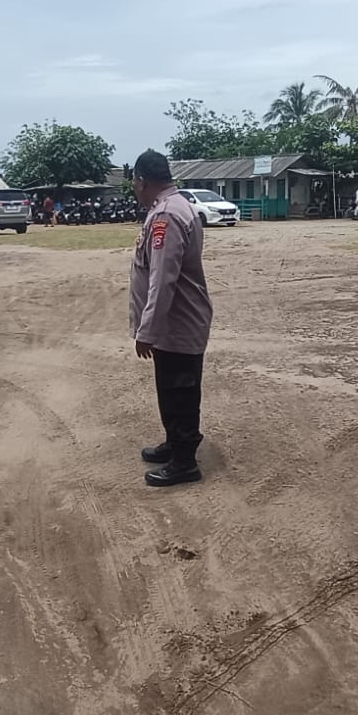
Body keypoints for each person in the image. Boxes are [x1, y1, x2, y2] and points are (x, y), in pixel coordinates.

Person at [129, 149, 212, 486]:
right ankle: (174, 443)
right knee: (171, 387)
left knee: (180, 390)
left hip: (177, 322)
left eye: (134, 183)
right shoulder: (173, 206)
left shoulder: (166, 215)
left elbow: (163, 279)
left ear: (141, 181)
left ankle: (185, 462)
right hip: (173, 323)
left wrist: (147, 330)